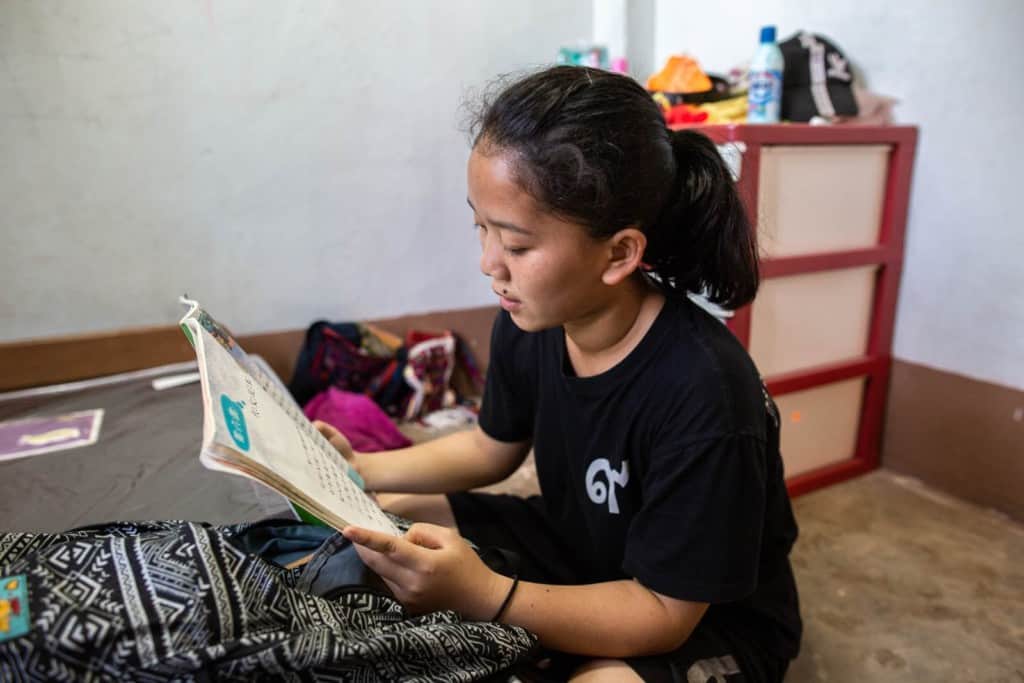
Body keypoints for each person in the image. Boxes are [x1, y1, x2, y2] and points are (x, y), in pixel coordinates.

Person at [315, 65, 802, 682]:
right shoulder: (531, 321)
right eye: (481, 227)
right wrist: (361, 469)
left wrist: (485, 593)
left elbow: (663, 613)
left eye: (516, 246)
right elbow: (491, 449)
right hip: (581, 549)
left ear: (620, 253)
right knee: (387, 524)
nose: (489, 264)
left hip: (701, 618)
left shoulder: (705, 392)